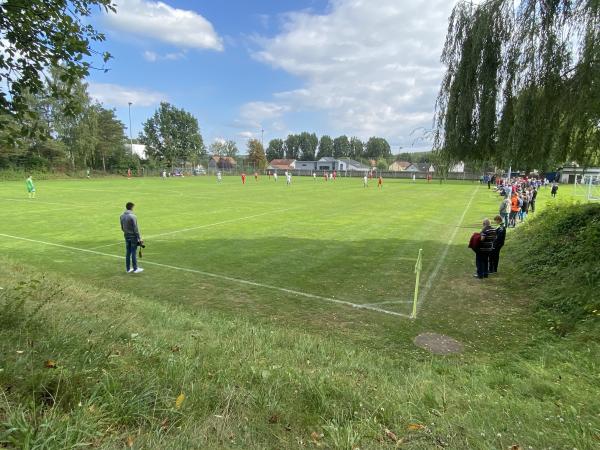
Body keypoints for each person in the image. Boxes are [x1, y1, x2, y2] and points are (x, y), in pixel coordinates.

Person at [120, 202, 143, 274]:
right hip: (133, 237)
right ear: (132, 207)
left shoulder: (121, 216)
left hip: (126, 235)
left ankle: (128, 269)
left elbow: (122, 228)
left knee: (128, 252)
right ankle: (135, 268)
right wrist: (139, 238)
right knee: (133, 252)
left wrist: (126, 232)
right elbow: (136, 229)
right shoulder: (133, 216)